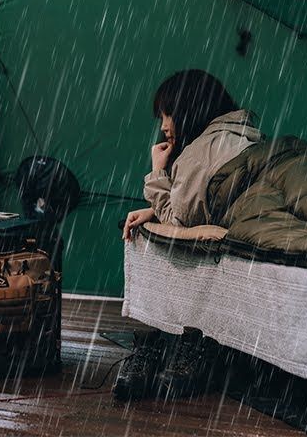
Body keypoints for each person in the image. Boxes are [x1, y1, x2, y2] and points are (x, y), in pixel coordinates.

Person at [115, 69, 263, 401]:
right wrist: (154, 209)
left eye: (168, 114)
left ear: (190, 109)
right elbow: (207, 206)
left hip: (237, 242)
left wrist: (158, 172)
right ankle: (179, 341)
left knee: (148, 238)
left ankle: (170, 334)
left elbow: (181, 223)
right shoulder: (243, 135)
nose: (164, 124)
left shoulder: (201, 153)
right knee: (149, 222)